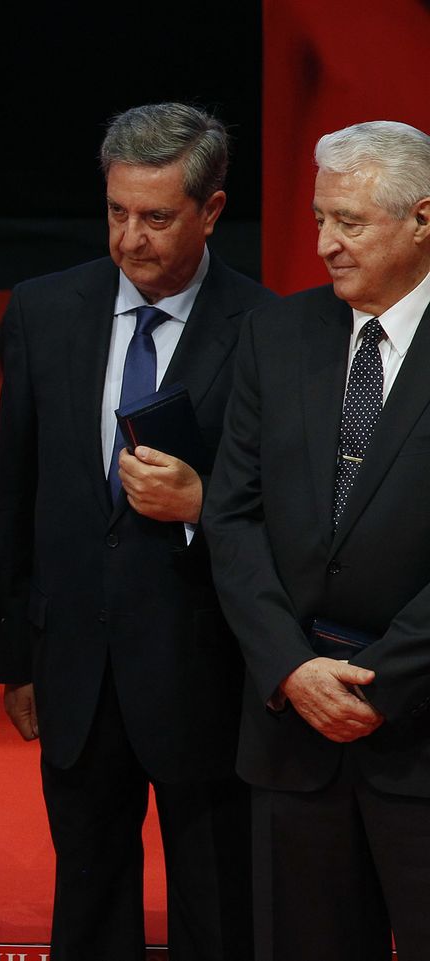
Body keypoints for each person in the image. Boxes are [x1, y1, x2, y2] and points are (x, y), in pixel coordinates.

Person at [0, 103, 276, 961]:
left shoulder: (270, 328)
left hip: (207, 674)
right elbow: (20, 487)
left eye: (156, 217)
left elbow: (289, 510)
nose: (130, 237)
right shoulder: (43, 310)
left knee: (219, 909)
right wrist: (18, 656)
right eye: (117, 211)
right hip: (75, 669)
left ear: (212, 211)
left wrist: (203, 503)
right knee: (88, 905)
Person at [203, 120, 430, 961]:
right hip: (293, 738)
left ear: (422, 218)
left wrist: (382, 681)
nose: (326, 243)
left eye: (349, 221)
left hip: (419, 725)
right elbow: (232, 514)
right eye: (318, 219)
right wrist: (291, 669)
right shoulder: (279, 333)